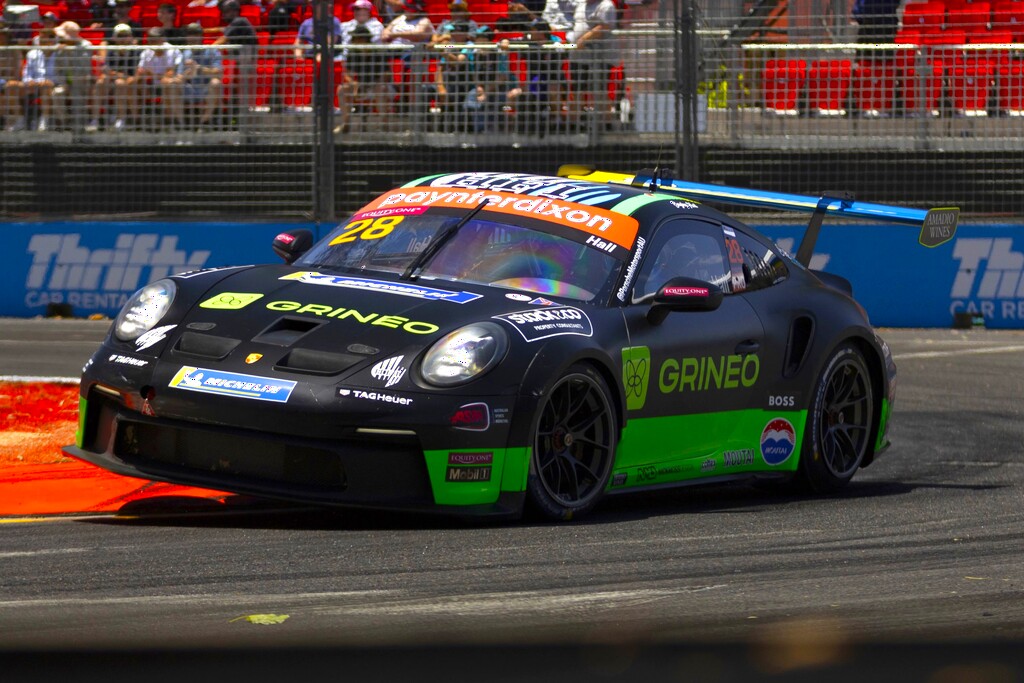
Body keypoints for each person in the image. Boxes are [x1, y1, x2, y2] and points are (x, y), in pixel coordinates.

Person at [566, 0, 615, 126]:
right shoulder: (581, 5)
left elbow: (604, 27)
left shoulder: (606, 5)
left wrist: (583, 39)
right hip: (579, 57)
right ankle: (574, 125)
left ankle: (605, 125)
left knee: (599, 90)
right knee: (577, 90)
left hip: (600, 57)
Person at [334, 23, 390, 133]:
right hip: (360, 86)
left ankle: (384, 125)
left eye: (355, 38)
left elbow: (387, 74)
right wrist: (354, 84)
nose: (353, 40)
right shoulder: (353, 53)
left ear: (363, 39)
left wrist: (373, 85)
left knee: (381, 89)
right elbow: (347, 74)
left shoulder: (378, 52)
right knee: (342, 89)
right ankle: (346, 124)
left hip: (379, 86)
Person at [88, 22, 139, 131]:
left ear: (130, 36)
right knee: (101, 82)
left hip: (130, 83)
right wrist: (114, 74)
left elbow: (133, 75)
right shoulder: (111, 51)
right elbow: (107, 70)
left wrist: (115, 74)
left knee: (120, 83)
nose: (123, 39)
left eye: (125, 35)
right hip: (114, 80)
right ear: (114, 37)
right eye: (120, 36)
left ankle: (121, 119)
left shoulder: (135, 51)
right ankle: (95, 119)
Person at [136, 26, 184, 128]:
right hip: (151, 85)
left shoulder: (173, 50)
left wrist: (151, 74)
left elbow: (171, 73)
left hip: (172, 84)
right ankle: (136, 121)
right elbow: (140, 72)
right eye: (151, 39)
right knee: (134, 82)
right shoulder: (146, 52)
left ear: (163, 39)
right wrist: (154, 75)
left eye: (156, 39)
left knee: (167, 82)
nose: (154, 42)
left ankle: (171, 121)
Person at [53, 21, 94, 133]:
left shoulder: (86, 45)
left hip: (82, 82)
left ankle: (80, 126)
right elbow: (58, 69)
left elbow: (84, 69)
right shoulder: (60, 47)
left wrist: (71, 51)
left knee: (77, 93)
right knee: (57, 93)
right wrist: (64, 82)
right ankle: (66, 122)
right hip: (66, 83)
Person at [180, 22, 222, 128]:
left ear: (201, 36)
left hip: (206, 88)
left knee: (216, 83)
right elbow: (179, 76)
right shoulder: (185, 53)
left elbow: (218, 72)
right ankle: (178, 123)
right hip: (190, 88)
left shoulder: (212, 50)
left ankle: (205, 122)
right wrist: (187, 74)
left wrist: (199, 68)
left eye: (195, 34)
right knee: (173, 83)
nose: (192, 38)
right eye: (189, 34)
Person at [18, 27, 59, 131]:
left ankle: (44, 120)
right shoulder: (32, 53)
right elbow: (27, 72)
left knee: (45, 85)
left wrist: (47, 81)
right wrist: (29, 80)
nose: (40, 40)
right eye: (41, 38)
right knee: (13, 86)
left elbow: (59, 74)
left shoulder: (59, 53)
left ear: (52, 40)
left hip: (52, 84)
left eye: (44, 38)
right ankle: (20, 120)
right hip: (34, 83)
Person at [0, 20, 27, 131]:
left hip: (14, 82)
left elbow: (17, 72)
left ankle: (19, 120)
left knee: (9, 86)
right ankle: (5, 121)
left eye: (3, 34)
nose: (1, 37)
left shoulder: (14, 50)